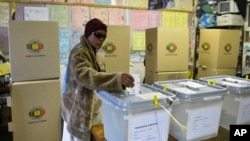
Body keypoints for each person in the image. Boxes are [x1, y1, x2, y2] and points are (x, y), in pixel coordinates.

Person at [61, 18, 135, 141]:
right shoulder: (78, 53)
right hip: (78, 106)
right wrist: (117, 79)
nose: (101, 39)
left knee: (95, 134)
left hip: (93, 104)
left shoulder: (98, 52)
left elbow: (100, 75)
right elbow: (86, 76)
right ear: (88, 33)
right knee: (78, 137)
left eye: (104, 37)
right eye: (98, 35)